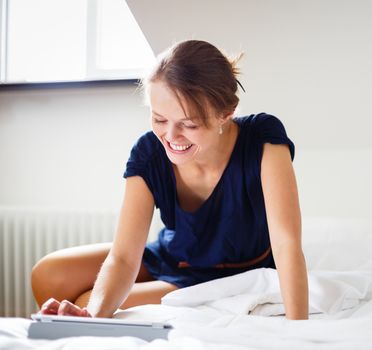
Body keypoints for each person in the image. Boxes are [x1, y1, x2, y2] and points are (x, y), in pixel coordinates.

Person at [31, 40, 309, 320]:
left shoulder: (262, 138)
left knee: (87, 300)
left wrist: (298, 329)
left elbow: (286, 242)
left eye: (189, 124)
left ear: (226, 114)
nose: (171, 137)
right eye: (159, 119)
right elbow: (125, 256)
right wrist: (92, 315)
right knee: (48, 275)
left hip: (221, 275)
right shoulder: (149, 152)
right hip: (173, 254)